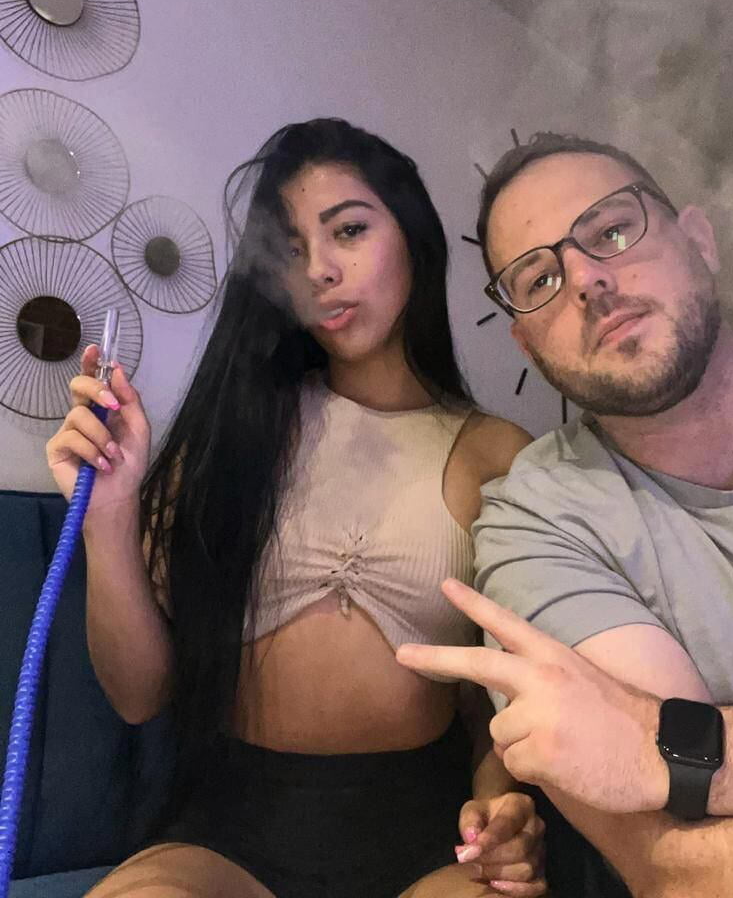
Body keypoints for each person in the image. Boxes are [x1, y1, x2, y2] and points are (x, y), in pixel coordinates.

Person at [46, 119, 545, 898]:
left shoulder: (497, 454)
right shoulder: (230, 436)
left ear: (414, 237)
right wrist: (109, 515)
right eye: (289, 248)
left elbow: (496, 704)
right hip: (229, 835)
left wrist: (502, 805)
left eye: (349, 230)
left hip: (428, 836)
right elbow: (138, 697)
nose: (319, 270)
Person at [396, 131, 733, 898]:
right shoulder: (535, 524)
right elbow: (687, 865)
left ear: (699, 241)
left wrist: (658, 743)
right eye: (539, 278)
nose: (588, 281)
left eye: (612, 231)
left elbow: (663, 764)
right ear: (526, 344)